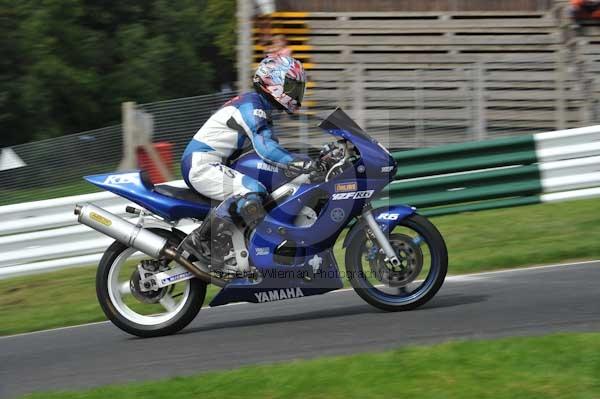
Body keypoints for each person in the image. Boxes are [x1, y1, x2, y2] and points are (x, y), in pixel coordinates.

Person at [180, 56, 319, 263]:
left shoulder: (260, 107)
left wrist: (313, 156)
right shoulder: (251, 106)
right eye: (290, 86)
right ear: (273, 82)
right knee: (253, 190)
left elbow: (272, 148)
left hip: (213, 163)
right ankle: (202, 240)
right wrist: (301, 163)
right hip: (201, 165)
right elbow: (267, 148)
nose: (294, 92)